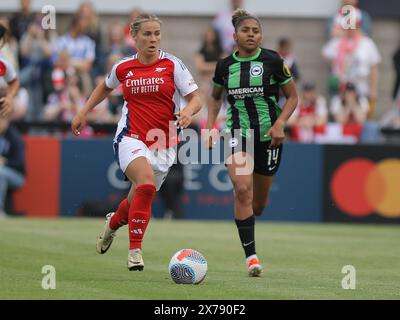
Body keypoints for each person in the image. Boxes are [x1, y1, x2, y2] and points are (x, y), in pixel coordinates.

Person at [71, 13, 201, 271]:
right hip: (131, 137)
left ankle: (112, 224)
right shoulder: (124, 67)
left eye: (157, 34)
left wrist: (188, 112)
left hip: (164, 143)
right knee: (146, 184)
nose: (153, 39)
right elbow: (104, 87)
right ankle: (135, 251)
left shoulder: (172, 64)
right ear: (134, 36)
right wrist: (83, 112)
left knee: (136, 200)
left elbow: (196, 98)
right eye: (147, 34)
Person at [206, 9, 298, 276]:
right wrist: (211, 126)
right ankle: (252, 258)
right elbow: (214, 98)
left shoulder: (272, 60)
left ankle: (248, 213)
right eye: (246, 31)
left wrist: (280, 123)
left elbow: (292, 97)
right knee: (243, 189)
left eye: (256, 31)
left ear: (261, 36)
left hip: (269, 138)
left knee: (258, 205)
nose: (251, 35)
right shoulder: (224, 66)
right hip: (237, 134)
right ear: (235, 35)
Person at [0, 115, 25, 217]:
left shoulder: (14, 137)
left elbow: (19, 162)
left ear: (7, 121)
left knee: (0, 173)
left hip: (17, 176)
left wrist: (4, 162)